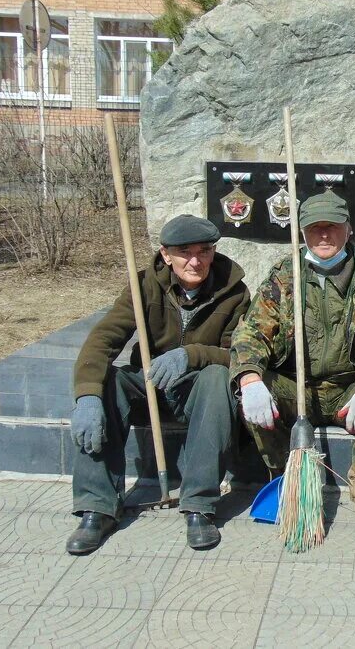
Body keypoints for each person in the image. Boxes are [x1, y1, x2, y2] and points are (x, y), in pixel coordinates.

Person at [66, 215, 251, 555]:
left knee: (216, 379)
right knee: (109, 381)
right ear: (166, 255)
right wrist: (87, 396)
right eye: (184, 252)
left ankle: (199, 506)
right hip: (148, 385)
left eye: (205, 251)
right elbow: (103, 340)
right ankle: (98, 507)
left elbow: (239, 353)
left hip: (197, 389)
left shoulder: (234, 292)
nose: (196, 261)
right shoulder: (143, 287)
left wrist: (191, 354)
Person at [230, 190, 355, 520]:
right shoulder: (284, 276)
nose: (324, 235)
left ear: (349, 229)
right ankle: (285, 475)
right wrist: (250, 376)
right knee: (250, 386)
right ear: (302, 232)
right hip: (297, 390)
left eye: (333, 226)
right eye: (315, 227)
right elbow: (253, 331)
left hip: (349, 391)